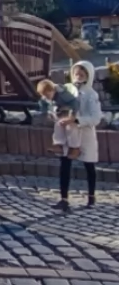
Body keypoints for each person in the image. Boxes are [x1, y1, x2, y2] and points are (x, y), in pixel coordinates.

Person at [56, 62, 103, 210]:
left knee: (89, 165)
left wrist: (77, 120)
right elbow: (57, 105)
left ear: (88, 75)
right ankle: (63, 199)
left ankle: (91, 196)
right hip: (69, 133)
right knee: (65, 163)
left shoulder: (91, 94)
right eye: (77, 71)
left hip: (85, 134)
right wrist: (57, 114)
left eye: (83, 72)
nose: (79, 74)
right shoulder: (67, 91)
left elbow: (96, 118)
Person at [37, 78, 81, 160]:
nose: (46, 97)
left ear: (53, 90)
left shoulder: (63, 95)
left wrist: (72, 116)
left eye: (47, 95)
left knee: (71, 127)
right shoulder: (46, 97)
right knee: (58, 124)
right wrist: (45, 112)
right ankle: (58, 144)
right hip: (61, 111)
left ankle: (75, 148)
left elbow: (74, 103)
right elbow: (42, 103)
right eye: (44, 95)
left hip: (71, 110)